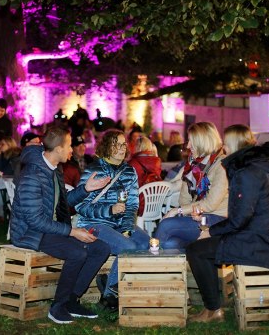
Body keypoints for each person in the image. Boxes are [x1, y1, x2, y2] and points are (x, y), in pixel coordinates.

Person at [10, 127, 111, 324]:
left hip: (51, 228)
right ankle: (58, 307)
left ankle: (72, 300)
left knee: (101, 248)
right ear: (57, 149)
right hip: (31, 232)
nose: (71, 149)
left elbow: (62, 202)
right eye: (69, 145)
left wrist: (85, 189)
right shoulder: (32, 174)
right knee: (78, 252)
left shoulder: (54, 169)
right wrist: (72, 232)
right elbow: (34, 220)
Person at [186, 143, 269, 323]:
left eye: (227, 143)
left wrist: (210, 232)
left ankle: (212, 310)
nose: (223, 147)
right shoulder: (262, 169)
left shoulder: (248, 174)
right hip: (268, 237)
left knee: (196, 251)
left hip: (259, 242)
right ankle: (214, 305)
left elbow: (239, 220)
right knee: (204, 248)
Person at [75, 129, 150, 311]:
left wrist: (126, 229)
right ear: (107, 146)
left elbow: (132, 205)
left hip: (118, 224)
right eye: (117, 144)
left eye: (124, 144)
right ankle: (110, 295)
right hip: (93, 224)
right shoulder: (94, 170)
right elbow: (80, 206)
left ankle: (112, 286)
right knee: (128, 247)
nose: (122, 148)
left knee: (147, 243)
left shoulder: (129, 171)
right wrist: (109, 210)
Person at [155, 122, 227, 249]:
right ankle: (177, 266)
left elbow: (210, 204)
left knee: (166, 225)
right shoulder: (193, 164)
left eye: (191, 141)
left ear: (202, 141)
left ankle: (149, 265)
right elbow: (184, 200)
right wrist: (183, 210)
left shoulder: (221, 165)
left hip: (217, 220)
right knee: (170, 244)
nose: (188, 146)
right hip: (197, 217)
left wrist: (177, 211)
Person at [128, 135, 162, 213]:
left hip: (138, 204)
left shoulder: (132, 163)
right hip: (155, 202)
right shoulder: (157, 161)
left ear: (137, 147)